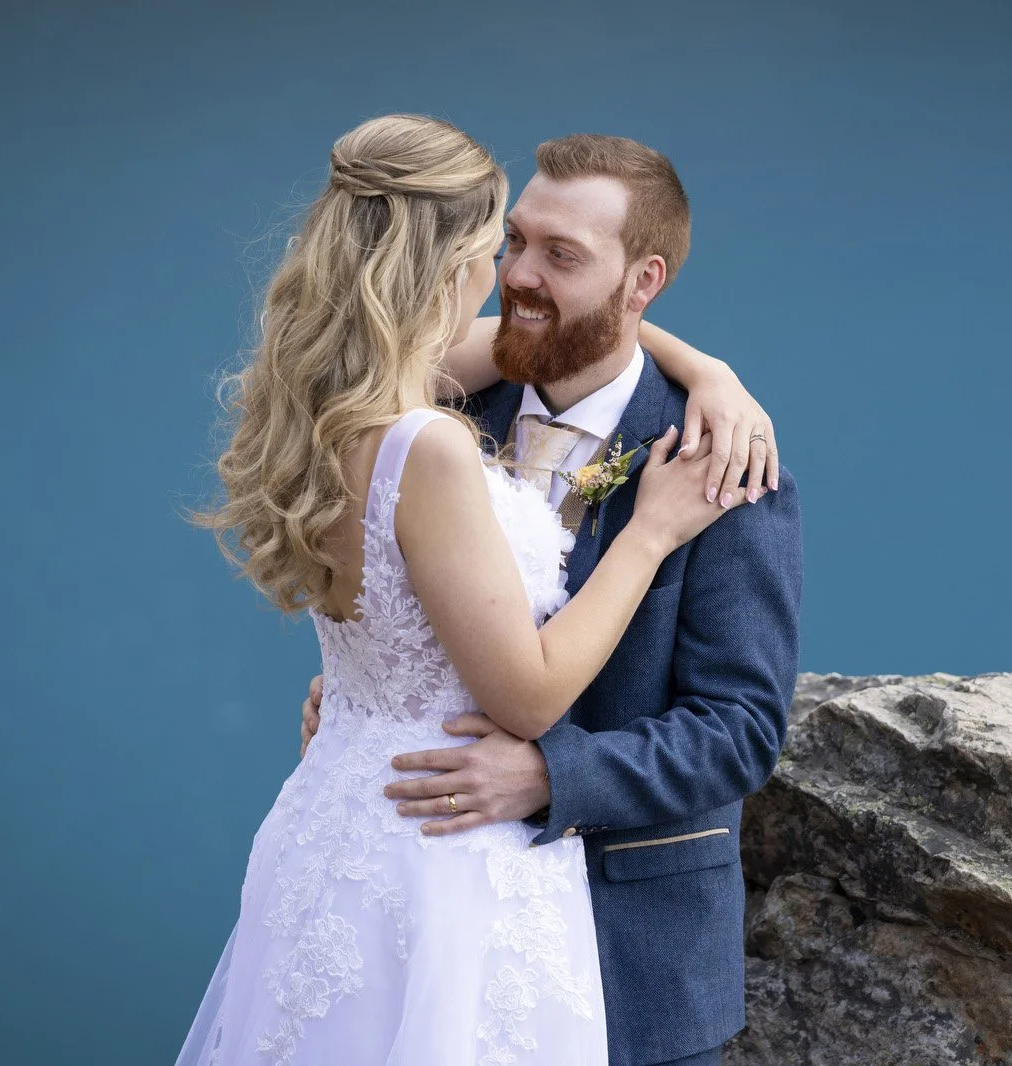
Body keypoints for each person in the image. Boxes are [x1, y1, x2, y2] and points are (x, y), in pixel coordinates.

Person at [177, 114, 780, 1065]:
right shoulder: (443, 403)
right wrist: (378, 696)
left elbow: (742, 729)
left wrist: (551, 776)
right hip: (419, 886)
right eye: (511, 243)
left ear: (643, 283)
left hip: (634, 951)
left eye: (559, 254)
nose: (518, 275)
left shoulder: (718, 457)